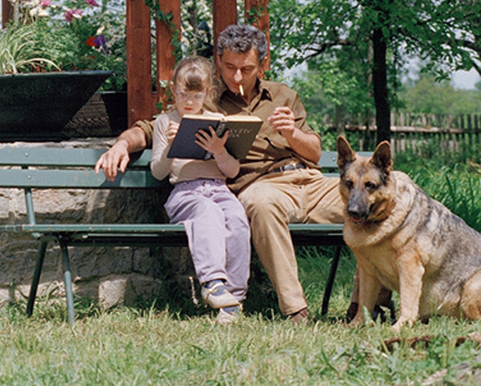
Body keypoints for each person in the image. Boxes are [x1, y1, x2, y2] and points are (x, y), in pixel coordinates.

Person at [96, 23, 343, 324]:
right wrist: (121, 144)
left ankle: (369, 305)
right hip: (263, 186)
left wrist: (291, 132)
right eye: (229, 67)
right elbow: (150, 129)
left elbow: (315, 151)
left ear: (262, 64)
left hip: (309, 179)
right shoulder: (205, 101)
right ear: (218, 62)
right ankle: (296, 311)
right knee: (261, 206)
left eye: (247, 68)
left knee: (376, 203)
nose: (237, 76)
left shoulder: (283, 95)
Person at [150, 55, 250, 325]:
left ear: (207, 93)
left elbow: (232, 171)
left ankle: (234, 299)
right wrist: (172, 147)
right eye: (183, 94)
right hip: (186, 193)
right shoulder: (164, 122)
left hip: (219, 189)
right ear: (173, 91)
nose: (189, 102)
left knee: (238, 221)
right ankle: (213, 283)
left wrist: (219, 151)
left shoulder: (217, 120)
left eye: (196, 95)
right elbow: (158, 172)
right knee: (206, 213)